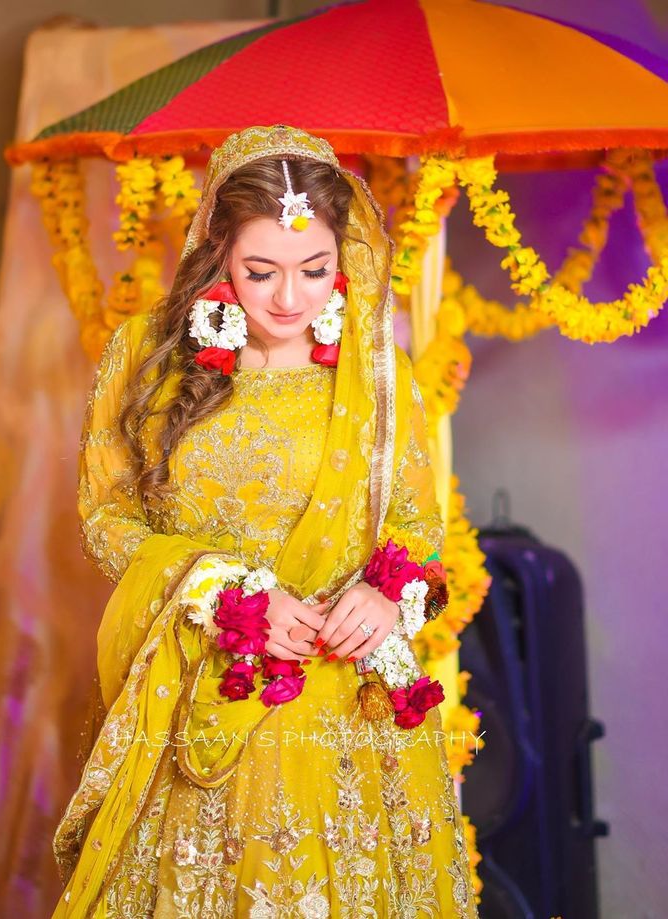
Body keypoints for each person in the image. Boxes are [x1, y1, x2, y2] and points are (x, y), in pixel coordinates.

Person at [51, 124, 479, 918]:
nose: (290, 298)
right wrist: (226, 592)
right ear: (218, 249)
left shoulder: (377, 375)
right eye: (261, 270)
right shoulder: (145, 355)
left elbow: (418, 524)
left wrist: (389, 596)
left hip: (348, 713)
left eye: (316, 270)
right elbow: (106, 518)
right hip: (198, 697)